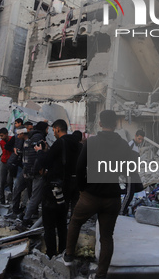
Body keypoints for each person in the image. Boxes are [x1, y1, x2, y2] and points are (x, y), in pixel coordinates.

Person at [63, 110, 139, 279]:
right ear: (116, 124)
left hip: (90, 195)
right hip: (112, 198)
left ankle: (68, 256)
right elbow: (128, 171)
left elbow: (79, 167)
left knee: (75, 222)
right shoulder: (124, 145)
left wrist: (82, 188)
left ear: (100, 123)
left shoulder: (92, 142)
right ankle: (101, 275)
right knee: (106, 237)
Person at [39, 119, 80, 258]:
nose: (53, 133)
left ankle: (51, 254)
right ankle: (63, 251)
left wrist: (41, 152)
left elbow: (46, 161)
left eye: (53, 130)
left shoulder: (60, 143)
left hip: (53, 189)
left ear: (57, 129)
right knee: (62, 223)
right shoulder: (77, 144)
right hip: (68, 188)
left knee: (49, 224)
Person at [18, 121, 49, 226]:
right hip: (36, 171)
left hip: (31, 170)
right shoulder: (38, 137)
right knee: (35, 196)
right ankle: (26, 218)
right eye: (47, 129)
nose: (48, 131)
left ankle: (26, 214)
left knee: (34, 195)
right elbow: (37, 155)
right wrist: (39, 168)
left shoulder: (33, 137)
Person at [0, 127, 15, 204]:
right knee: (1, 182)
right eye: (0, 136)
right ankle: (2, 200)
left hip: (11, 163)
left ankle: (14, 199)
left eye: (2, 136)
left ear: (6, 134)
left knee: (10, 181)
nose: (1, 138)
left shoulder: (13, 140)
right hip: (4, 162)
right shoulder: (1, 142)